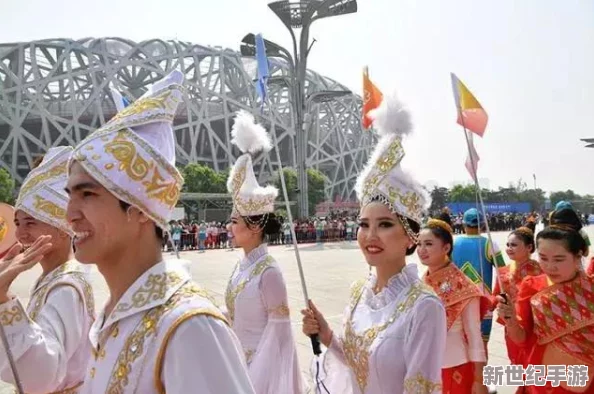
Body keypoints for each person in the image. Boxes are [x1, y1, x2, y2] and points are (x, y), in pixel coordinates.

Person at [67, 71, 254, 393]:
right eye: (69, 195)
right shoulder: (112, 316)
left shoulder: (189, 327)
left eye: (88, 194)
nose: (69, 214)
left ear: (140, 208)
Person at [302, 93, 446, 393]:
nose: (370, 235)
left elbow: (421, 388)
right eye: (363, 225)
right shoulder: (359, 293)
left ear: (410, 237)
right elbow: (357, 363)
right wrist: (327, 334)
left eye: (384, 225)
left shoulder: (424, 307)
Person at [0, 146, 96, 393]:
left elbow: (43, 375)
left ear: (63, 227)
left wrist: (4, 299)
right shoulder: (52, 277)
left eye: (31, 222)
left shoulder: (67, 285)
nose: (21, 233)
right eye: (18, 223)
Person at [223, 111, 303, 394]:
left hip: (259, 376)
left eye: (234, 221)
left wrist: (256, 380)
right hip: (237, 366)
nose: (228, 227)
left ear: (255, 226)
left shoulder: (269, 272)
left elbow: (280, 337)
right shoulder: (241, 266)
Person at [496, 208, 594, 393]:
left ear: (578, 256)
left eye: (559, 259)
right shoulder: (531, 286)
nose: (549, 266)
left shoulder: (590, 288)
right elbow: (522, 339)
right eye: (543, 258)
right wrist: (511, 322)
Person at [418, 218, 489, 394]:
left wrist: (479, 380)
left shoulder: (463, 286)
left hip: (454, 364)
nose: (421, 250)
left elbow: (474, 335)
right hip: (423, 365)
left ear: (446, 248)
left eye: (428, 244)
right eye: (419, 244)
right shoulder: (421, 281)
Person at [452, 208, 506, 350]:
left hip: (458, 302)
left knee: (461, 346)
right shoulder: (490, 244)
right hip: (484, 302)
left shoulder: (453, 245)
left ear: (463, 225)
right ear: (482, 225)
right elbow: (503, 274)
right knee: (482, 346)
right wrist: (495, 297)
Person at [492, 226, 542, 374]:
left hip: (535, 325)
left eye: (514, 245)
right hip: (511, 324)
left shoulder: (541, 271)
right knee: (517, 363)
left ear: (529, 247)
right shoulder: (503, 272)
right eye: (507, 245)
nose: (509, 248)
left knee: (534, 363)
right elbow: (495, 295)